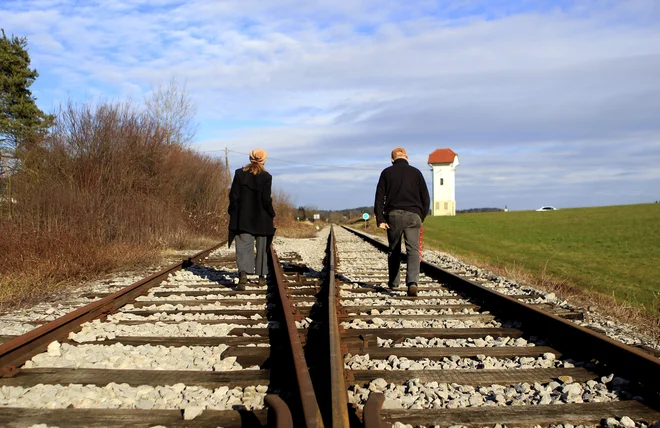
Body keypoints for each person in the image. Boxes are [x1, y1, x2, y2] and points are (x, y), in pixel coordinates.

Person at [374, 147, 430, 297]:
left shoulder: (386, 173)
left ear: (392, 159)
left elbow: (379, 197)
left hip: (394, 215)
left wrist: (380, 219)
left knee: (394, 250)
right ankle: (412, 282)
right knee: (413, 250)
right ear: (407, 157)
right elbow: (425, 198)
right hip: (413, 215)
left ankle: (394, 283)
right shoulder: (416, 172)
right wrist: (421, 216)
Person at [228, 148, 276, 290]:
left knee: (243, 247)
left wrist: (233, 212)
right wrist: (272, 213)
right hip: (262, 219)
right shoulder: (267, 177)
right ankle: (261, 278)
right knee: (262, 248)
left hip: (243, 218)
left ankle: (243, 277)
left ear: (250, 159)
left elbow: (234, 196)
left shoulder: (239, 173)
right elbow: (266, 199)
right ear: (264, 160)